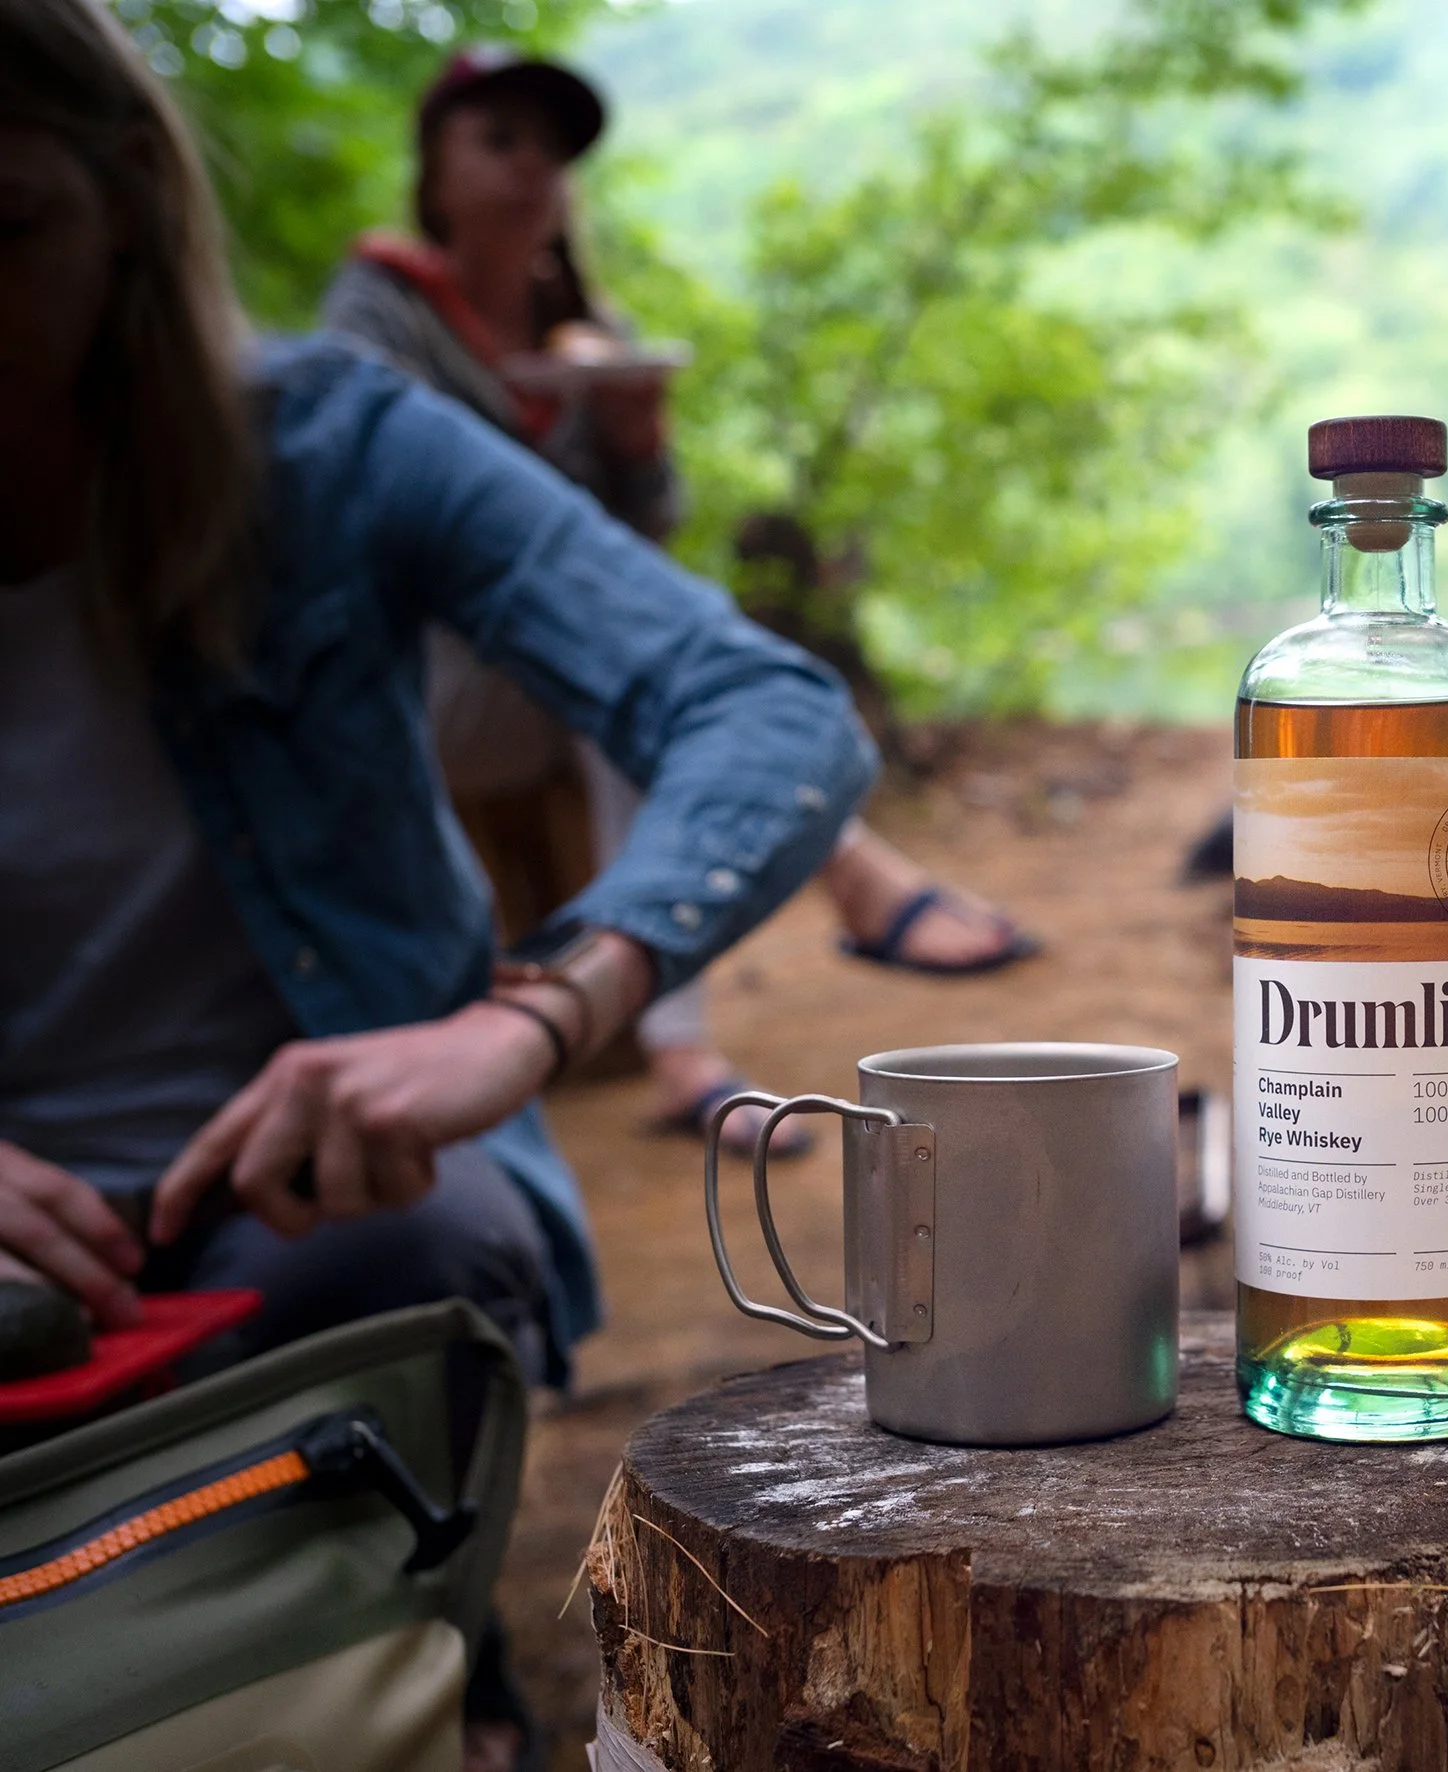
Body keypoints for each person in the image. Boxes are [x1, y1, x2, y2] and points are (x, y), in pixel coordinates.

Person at [0, 1, 871, 1756]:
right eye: (500, 140)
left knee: (427, 1232)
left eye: (2, 231)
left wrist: (528, 1014)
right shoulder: (392, 303)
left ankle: (406, 1667)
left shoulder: (324, 432)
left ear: (128, 210)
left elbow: (752, 692)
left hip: (305, 1199)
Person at [319, 47, 1037, 1152]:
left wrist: (634, 439)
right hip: (426, 686)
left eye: (549, 149)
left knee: (626, 666)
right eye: (498, 140)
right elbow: (367, 515)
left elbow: (645, 528)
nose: (531, 167)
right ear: (435, 172)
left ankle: (688, 1044)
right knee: (614, 672)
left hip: (547, 680)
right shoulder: (380, 315)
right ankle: (822, 908)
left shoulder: (589, 324)